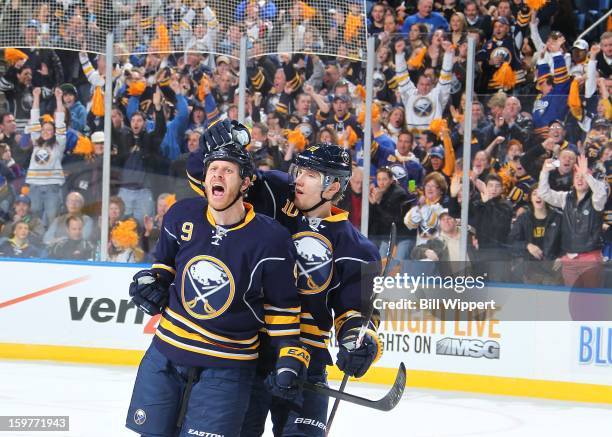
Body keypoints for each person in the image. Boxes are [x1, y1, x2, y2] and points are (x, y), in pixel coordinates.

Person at [189, 121, 382, 437]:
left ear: (333, 187)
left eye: (311, 175)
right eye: (299, 170)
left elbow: (355, 313)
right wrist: (212, 148)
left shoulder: (359, 249)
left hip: (307, 362)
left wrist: (360, 343)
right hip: (249, 351)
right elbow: (210, 181)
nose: (299, 180)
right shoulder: (274, 192)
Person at [126, 142, 306, 437]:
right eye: (213, 169)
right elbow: (165, 264)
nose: (218, 175)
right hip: (165, 355)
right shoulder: (182, 215)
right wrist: (153, 282)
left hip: (228, 366)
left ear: (245, 182)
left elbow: (281, 306)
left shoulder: (271, 239)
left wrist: (289, 352)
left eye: (228, 170)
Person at [538, 154, 608, 288]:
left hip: (590, 258)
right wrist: (545, 172)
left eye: (583, 177)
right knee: (573, 301)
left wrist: (587, 174)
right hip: (569, 258)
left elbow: (601, 193)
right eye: (577, 177)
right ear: (573, 181)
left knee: (592, 300)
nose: (580, 180)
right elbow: (544, 193)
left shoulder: (595, 200)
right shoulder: (566, 198)